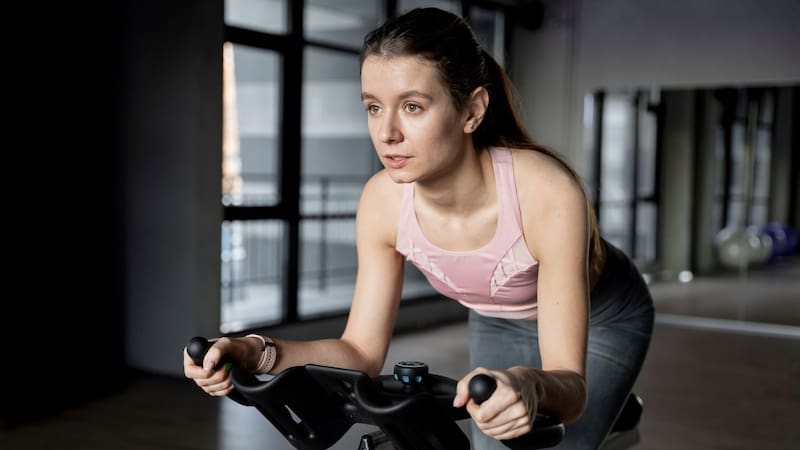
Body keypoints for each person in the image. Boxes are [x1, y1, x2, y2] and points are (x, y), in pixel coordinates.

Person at [184, 7, 654, 449]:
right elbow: (359, 353)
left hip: (606, 314)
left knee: (559, 441)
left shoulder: (546, 193)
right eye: (373, 107)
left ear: (472, 110)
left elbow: (568, 387)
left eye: (412, 106)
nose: (386, 133)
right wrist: (256, 352)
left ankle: (615, 421)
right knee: (495, 439)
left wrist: (531, 383)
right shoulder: (382, 202)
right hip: (498, 316)